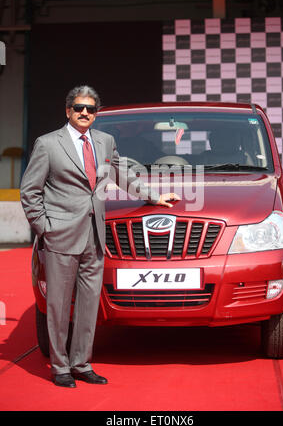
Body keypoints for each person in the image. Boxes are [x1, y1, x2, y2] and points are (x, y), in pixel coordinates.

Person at [20, 85, 179, 388]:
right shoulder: (48, 144)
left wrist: (153, 197)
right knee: (57, 305)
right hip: (60, 237)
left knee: (88, 305)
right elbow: (30, 192)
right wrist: (45, 227)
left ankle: (81, 363)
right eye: (79, 108)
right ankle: (60, 367)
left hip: (95, 237)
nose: (84, 113)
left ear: (96, 113)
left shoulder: (105, 142)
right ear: (68, 110)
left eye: (90, 109)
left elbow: (122, 175)